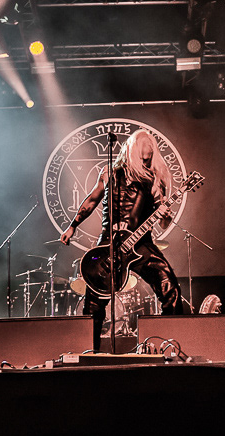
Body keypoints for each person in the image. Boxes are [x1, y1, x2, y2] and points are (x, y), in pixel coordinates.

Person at [60, 129, 184, 350]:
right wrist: (72, 226)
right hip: (109, 242)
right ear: (132, 150)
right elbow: (91, 200)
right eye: (143, 153)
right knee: (94, 303)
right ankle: (89, 352)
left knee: (169, 287)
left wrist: (166, 216)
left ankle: (171, 347)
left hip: (141, 242)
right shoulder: (109, 172)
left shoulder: (154, 179)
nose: (147, 157)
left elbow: (163, 221)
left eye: (150, 154)